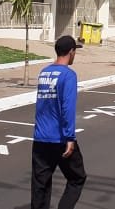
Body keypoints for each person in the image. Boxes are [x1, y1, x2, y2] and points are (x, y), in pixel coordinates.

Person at [31, 36, 86, 209]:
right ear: (71, 52)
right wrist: (70, 137)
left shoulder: (44, 72)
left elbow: (42, 105)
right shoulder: (69, 75)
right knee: (77, 178)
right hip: (60, 138)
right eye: (75, 51)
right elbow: (67, 107)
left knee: (40, 185)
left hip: (40, 138)